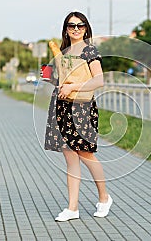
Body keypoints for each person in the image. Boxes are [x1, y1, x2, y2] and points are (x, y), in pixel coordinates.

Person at [44, 11, 112, 222]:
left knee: (85, 154)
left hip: (81, 108)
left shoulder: (89, 51)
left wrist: (74, 86)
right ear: (66, 28)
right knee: (70, 156)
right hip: (63, 107)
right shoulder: (63, 53)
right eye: (71, 25)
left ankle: (104, 197)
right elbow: (61, 78)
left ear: (86, 28)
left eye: (80, 25)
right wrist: (49, 76)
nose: (75, 29)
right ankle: (72, 208)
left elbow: (99, 80)